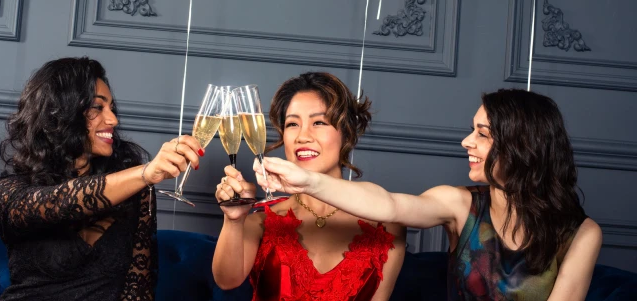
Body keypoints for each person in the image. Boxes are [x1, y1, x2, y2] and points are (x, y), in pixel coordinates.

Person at [254, 89, 602, 301]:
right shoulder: (461, 205)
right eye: (471, 130)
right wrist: (307, 181)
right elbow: (388, 205)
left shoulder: (581, 234)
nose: (467, 142)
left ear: (521, 146)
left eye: (482, 134)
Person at [0, 57, 205, 301]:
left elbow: (137, 290)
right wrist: (145, 173)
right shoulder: (7, 191)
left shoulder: (134, 189)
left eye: (111, 108)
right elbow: (56, 202)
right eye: (97, 107)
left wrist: (142, 178)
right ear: (60, 113)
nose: (113, 120)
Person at [212, 72, 405, 301]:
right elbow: (226, 280)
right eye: (293, 124)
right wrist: (233, 220)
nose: (303, 136)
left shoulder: (387, 225)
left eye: (319, 122)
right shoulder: (261, 222)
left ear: (347, 133)